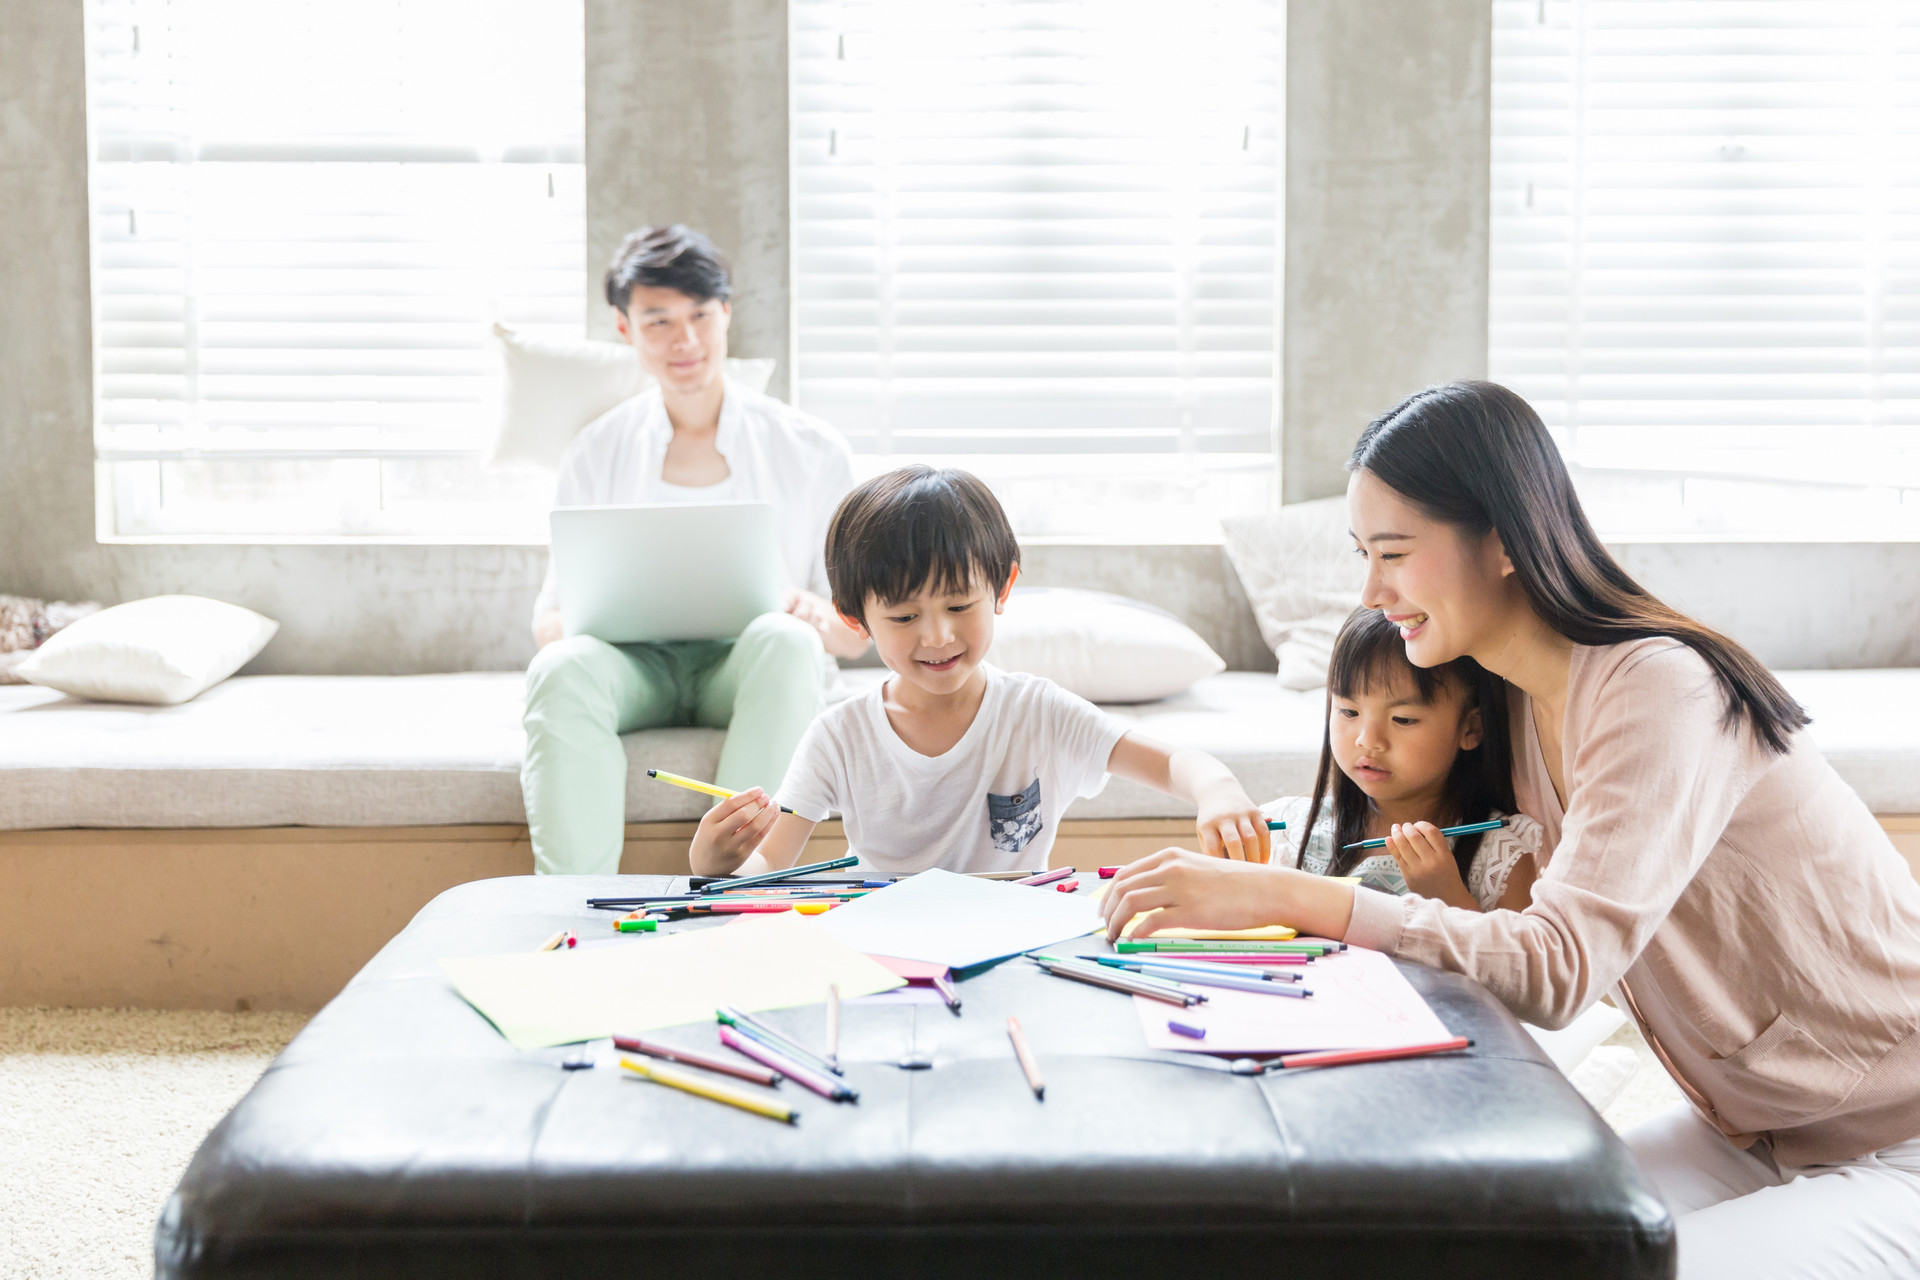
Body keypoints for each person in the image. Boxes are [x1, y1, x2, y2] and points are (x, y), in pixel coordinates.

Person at [1101, 381, 1920, 1279]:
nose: (1372, 590)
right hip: (1756, 1122)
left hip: (1897, 1131)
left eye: (1394, 553)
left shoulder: (1657, 686)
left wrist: (1280, 892)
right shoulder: (1521, 709)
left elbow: (1556, 969)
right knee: (1489, 1247)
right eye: (1364, 554)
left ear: (1498, 540)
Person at [689, 465, 1270, 878]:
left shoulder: (1038, 712)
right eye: (904, 615)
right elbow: (765, 869)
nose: (937, 635)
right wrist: (715, 864)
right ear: (854, 617)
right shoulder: (837, 737)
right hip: (889, 959)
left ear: (1004, 588)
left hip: (1014, 949)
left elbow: (1176, 764)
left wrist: (1217, 790)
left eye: (959, 606)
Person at [522, 225, 869, 876]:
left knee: (789, 642)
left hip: (747, 667)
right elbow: (551, 623)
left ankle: (739, 885)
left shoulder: (810, 449)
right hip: (634, 671)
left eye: (701, 316)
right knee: (560, 669)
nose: (684, 341)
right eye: (658, 321)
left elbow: (854, 636)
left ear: (727, 315)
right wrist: (593, 620)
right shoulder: (596, 450)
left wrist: (811, 613)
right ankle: (573, 905)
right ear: (625, 329)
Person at [1271, 605, 1544, 913]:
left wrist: (1446, 896)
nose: (1367, 740)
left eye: (1402, 719)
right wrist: (1221, 792)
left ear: (1471, 728)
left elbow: (1512, 959)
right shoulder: (1295, 831)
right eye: (1349, 712)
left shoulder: (1499, 857)